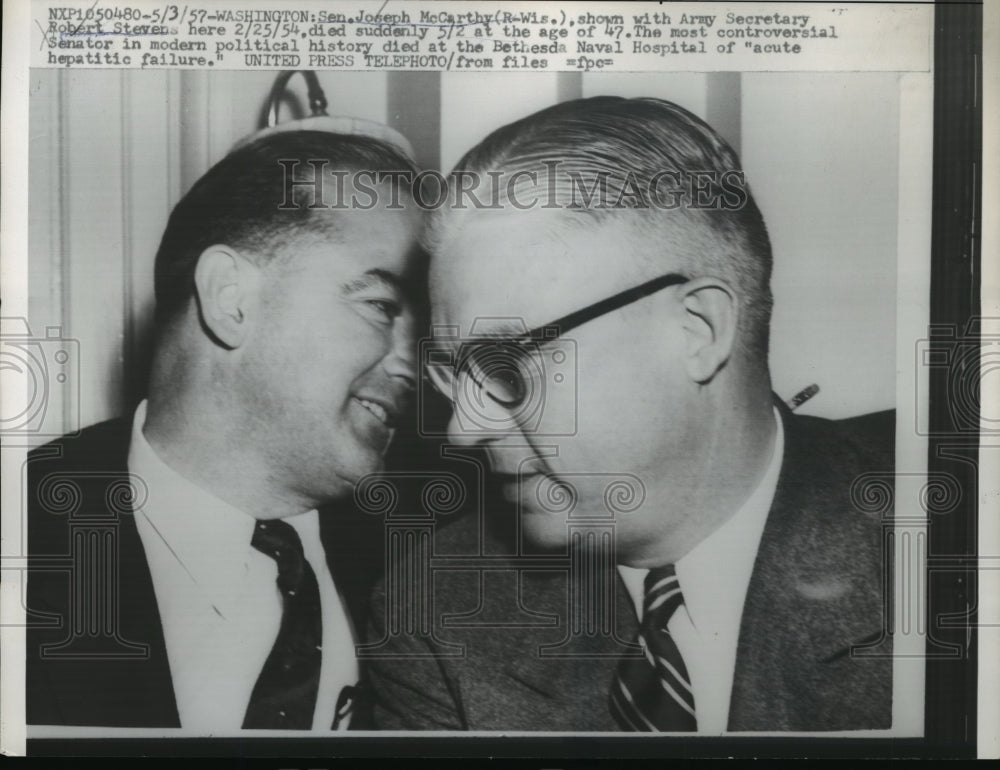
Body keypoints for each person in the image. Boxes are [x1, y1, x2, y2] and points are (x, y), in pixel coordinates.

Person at [367, 96, 895, 732]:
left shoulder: (956, 542)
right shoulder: (433, 610)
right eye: (454, 377)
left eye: (506, 369)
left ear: (697, 331)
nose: (463, 429)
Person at [26, 130, 422, 731]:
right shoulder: (22, 540)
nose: (413, 364)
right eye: (382, 307)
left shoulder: (429, 566)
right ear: (230, 299)